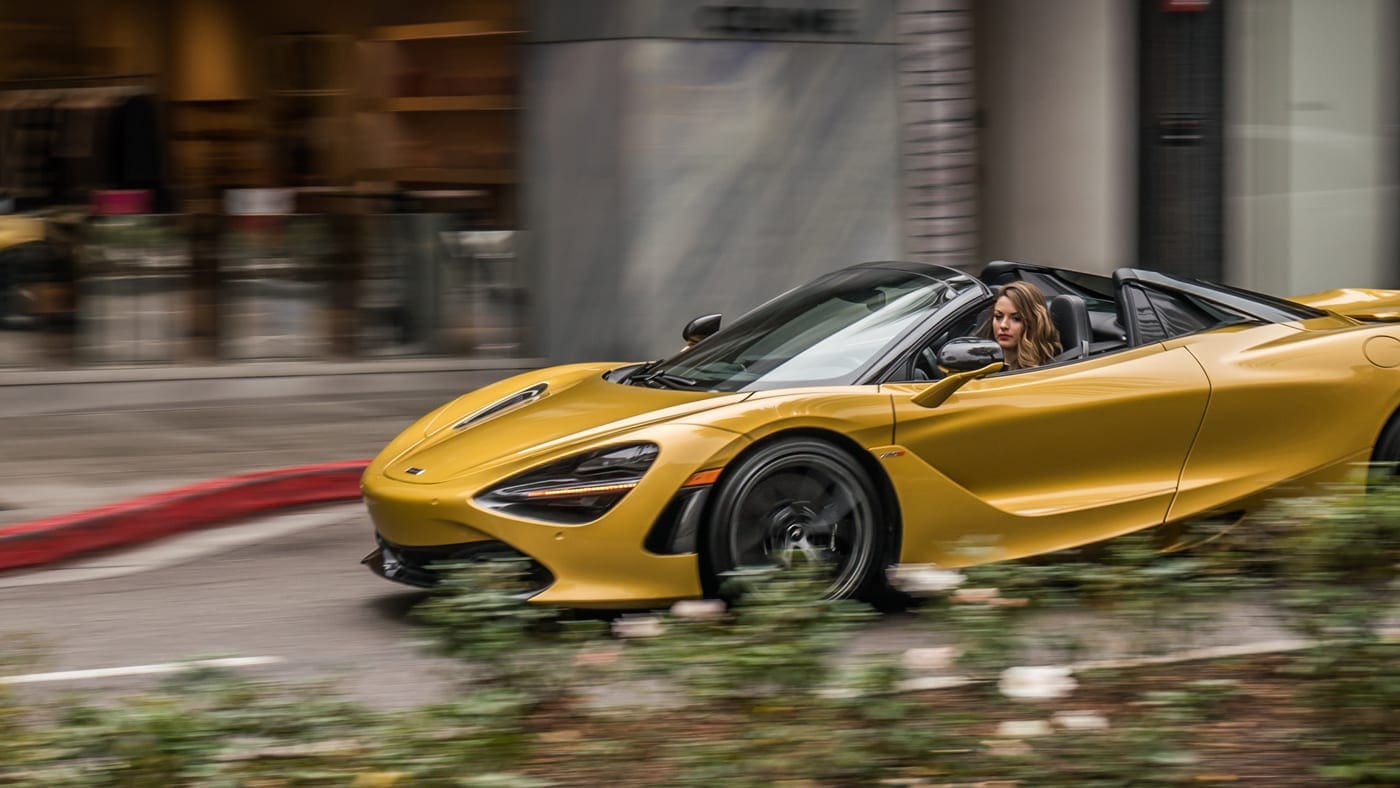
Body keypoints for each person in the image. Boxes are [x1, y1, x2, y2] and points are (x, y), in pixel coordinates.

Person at [989, 281, 1061, 370]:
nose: (1003, 325)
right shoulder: (983, 364)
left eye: (1016, 318)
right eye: (998, 316)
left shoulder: (1047, 371)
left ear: (1033, 323)